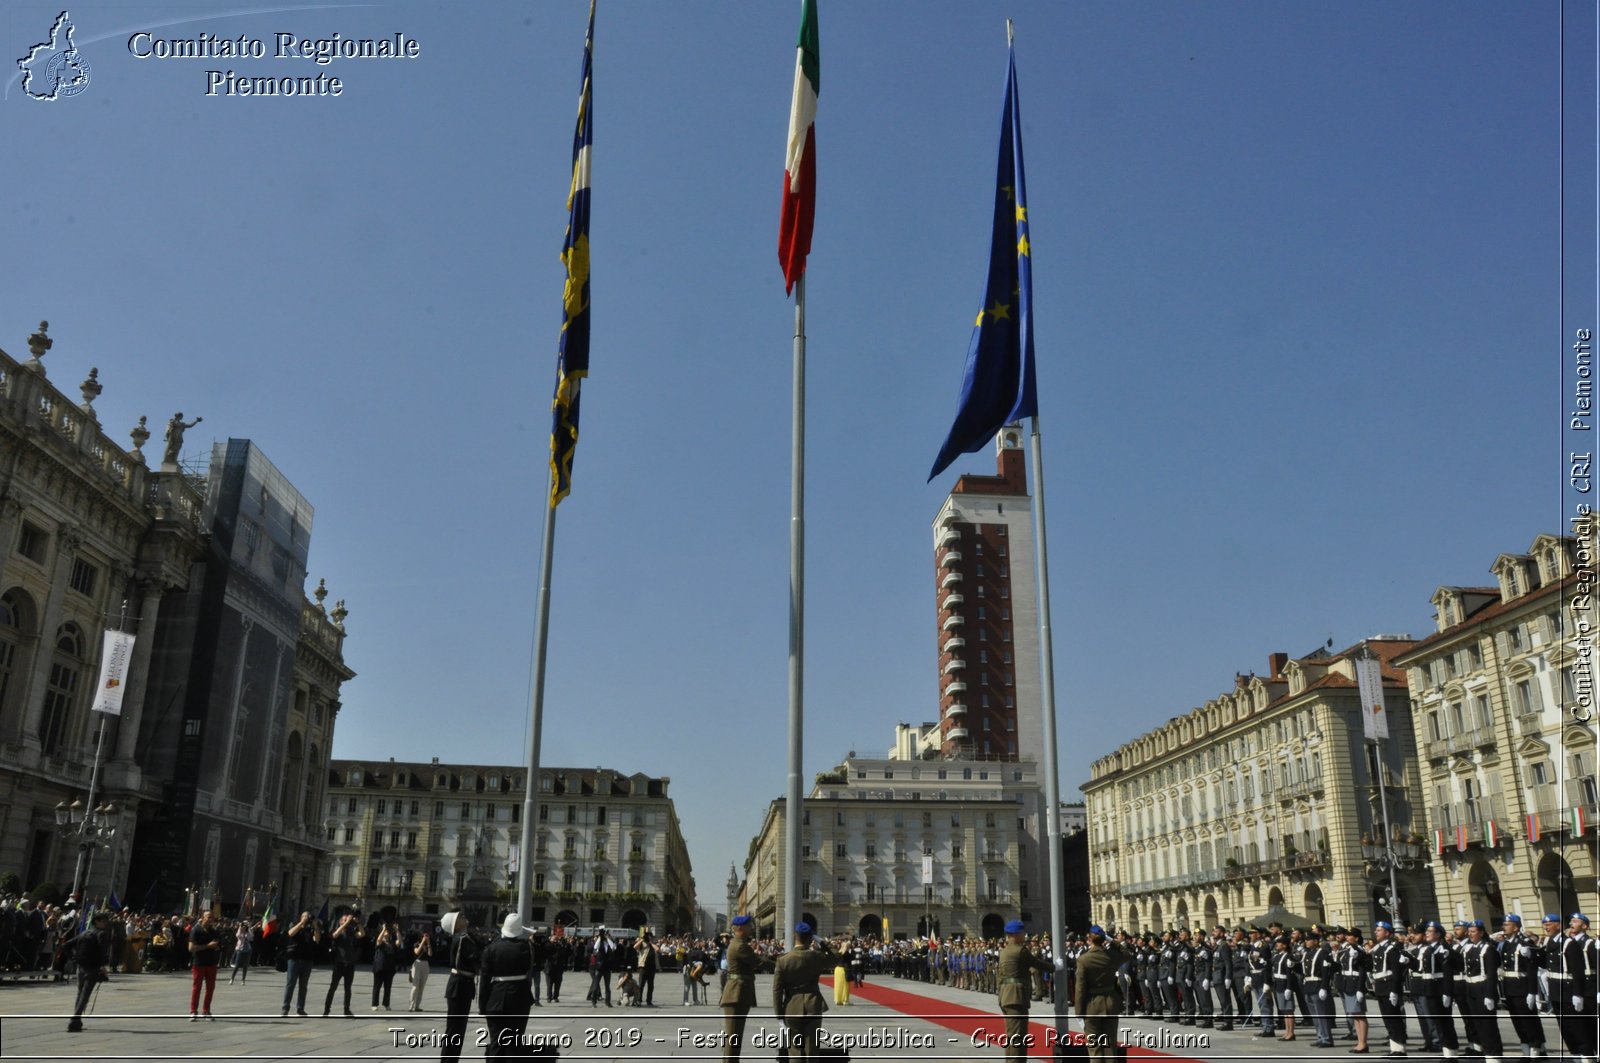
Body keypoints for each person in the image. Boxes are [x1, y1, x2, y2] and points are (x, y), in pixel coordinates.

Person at [772, 921, 832, 1063]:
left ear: (795, 937)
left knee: (795, 1050)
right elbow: (836, 959)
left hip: (791, 1007)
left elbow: (777, 989)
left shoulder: (783, 960)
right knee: (812, 1050)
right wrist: (824, 944)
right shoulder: (817, 957)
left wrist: (779, 1013)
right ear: (811, 939)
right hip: (813, 1006)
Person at [479, 913, 535, 1059]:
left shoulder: (491, 949)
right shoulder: (526, 948)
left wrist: (482, 1005)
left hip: (496, 999)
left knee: (496, 1042)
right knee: (515, 1043)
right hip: (520, 997)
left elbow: (484, 980)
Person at [996, 919, 1052, 1062]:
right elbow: (1036, 963)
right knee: (1018, 1038)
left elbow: (1000, 976)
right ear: (1015, 934)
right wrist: (1055, 967)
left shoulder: (1004, 951)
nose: (1024, 935)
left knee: (1011, 1036)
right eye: (1022, 932)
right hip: (1017, 997)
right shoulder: (1020, 950)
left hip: (1006, 996)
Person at [1072, 925, 1126, 1061]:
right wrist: (1112, 941)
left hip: (1092, 1006)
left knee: (1095, 1049)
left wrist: (1078, 1012)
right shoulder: (1111, 957)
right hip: (1110, 1003)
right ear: (1103, 940)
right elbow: (1127, 953)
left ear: (1089, 939)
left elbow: (1080, 989)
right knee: (1110, 1048)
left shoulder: (1083, 960)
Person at [439, 911, 479, 1063]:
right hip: (459, 985)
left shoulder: (465, 937)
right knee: (454, 1030)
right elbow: (475, 957)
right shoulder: (462, 939)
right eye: (460, 917)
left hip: (464, 984)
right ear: (456, 925)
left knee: (458, 1030)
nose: (464, 916)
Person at [1367, 920, 1409, 1056]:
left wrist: (1395, 991)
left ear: (1387, 933)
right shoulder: (1379, 948)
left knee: (1394, 1019)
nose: (1376, 932)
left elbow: (1396, 973)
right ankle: (1395, 1047)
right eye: (1376, 930)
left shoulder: (1391, 949)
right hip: (1380, 987)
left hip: (1389, 986)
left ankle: (1400, 1049)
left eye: (1379, 930)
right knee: (1388, 1019)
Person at [720, 915, 758, 1063]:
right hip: (736, 994)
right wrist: (784, 961)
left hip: (739, 993)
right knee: (733, 1036)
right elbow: (757, 962)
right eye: (749, 926)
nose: (751, 928)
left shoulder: (739, 943)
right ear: (741, 928)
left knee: (735, 1036)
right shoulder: (740, 946)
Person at [65, 911, 111, 1033]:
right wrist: (103, 967)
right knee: (85, 994)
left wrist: (73, 958)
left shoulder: (84, 932)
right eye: (103, 921)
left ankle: (77, 1020)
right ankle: (74, 1020)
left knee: (80, 993)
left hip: (81, 967)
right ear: (96, 921)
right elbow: (103, 952)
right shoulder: (101, 934)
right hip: (93, 968)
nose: (105, 923)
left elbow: (66, 945)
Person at [323, 911, 364, 1017]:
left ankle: (347, 1009)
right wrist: (346, 923)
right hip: (339, 963)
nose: (347, 921)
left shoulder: (351, 931)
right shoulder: (338, 930)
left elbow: (362, 934)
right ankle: (327, 1009)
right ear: (341, 921)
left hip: (349, 963)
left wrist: (358, 923)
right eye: (345, 919)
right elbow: (335, 935)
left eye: (348, 919)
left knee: (348, 988)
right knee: (333, 987)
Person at [280, 911, 319, 1017]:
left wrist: (315, 926)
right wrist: (301, 923)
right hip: (294, 959)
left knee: (303, 985)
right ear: (301, 917)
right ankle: (285, 1007)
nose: (307, 918)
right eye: (305, 916)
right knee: (290, 984)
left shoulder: (311, 928)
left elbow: (317, 939)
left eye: (308, 916)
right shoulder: (295, 924)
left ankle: (300, 1008)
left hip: (307, 960)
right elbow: (290, 933)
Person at [188, 909, 222, 1021]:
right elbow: (191, 948)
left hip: (211, 963)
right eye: (209, 917)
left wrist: (217, 946)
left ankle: (206, 1011)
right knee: (197, 988)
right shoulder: (196, 930)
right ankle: (193, 1011)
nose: (211, 919)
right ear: (202, 918)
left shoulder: (214, 931)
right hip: (199, 963)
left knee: (210, 988)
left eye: (212, 917)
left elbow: (217, 945)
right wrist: (208, 946)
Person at [372, 922, 400, 1011]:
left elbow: (399, 942)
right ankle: (374, 1004)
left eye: (388, 931)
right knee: (377, 987)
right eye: (386, 932)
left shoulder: (392, 943)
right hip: (379, 968)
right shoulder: (380, 943)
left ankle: (386, 1004)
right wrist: (384, 929)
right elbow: (378, 940)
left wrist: (397, 930)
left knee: (388, 987)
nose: (387, 933)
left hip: (390, 968)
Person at [409, 927, 435, 1012]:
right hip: (417, 964)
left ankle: (417, 1006)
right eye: (424, 935)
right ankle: (411, 1005)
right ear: (421, 936)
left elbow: (430, 954)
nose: (426, 936)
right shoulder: (416, 944)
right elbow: (416, 952)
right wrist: (423, 942)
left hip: (425, 965)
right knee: (415, 986)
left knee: (421, 987)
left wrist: (428, 943)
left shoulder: (428, 945)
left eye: (427, 935)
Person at [634, 930, 658, 1006]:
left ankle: (649, 1000)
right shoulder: (642, 943)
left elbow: (657, 949)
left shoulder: (652, 944)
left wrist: (650, 942)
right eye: (648, 936)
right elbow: (635, 947)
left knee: (651, 985)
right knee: (641, 985)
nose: (649, 937)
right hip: (643, 967)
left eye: (650, 936)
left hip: (652, 967)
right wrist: (642, 939)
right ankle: (639, 1000)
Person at [229, 919, 253, 984]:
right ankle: (232, 978)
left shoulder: (248, 932)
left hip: (247, 950)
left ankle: (243, 979)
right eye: (243, 925)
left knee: (245, 966)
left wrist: (250, 928)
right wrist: (240, 927)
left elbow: (251, 937)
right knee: (237, 965)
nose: (244, 927)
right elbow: (237, 935)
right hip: (240, 949)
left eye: (245, 926)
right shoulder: (240, 932)